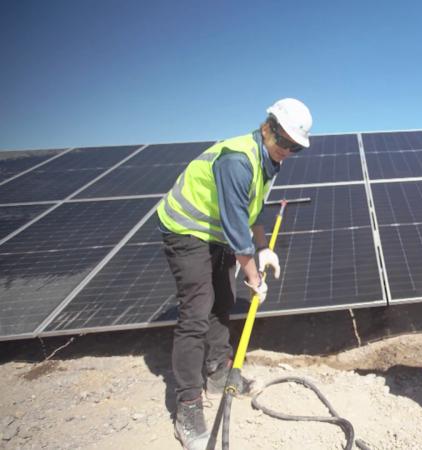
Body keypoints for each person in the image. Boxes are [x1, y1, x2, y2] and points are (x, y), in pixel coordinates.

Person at [156, 98, 312, 450]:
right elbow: (234, 228)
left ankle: (217, 373)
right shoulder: (238, 160)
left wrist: (263, 248)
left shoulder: (268, 161)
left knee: (223, 299)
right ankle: (188, 407)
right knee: (196, 311)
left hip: (214, 232)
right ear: (267, 128)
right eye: (284, 142)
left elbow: (250, 214)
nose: (287, 151)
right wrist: (255, 278)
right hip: (185, 229)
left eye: (294, 147)